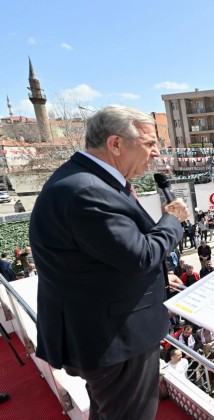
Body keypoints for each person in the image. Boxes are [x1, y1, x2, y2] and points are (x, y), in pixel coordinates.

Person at [29, 106, 188, 419]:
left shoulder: (89, 181)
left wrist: (156, 279)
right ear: (116, 144)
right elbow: (140, 255)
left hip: (104, 331)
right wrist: (171, 221)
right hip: (114, 338)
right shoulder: (88, 191)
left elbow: (104, 256)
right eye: (149, 143)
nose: (156, 153)